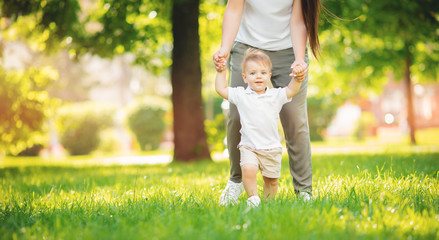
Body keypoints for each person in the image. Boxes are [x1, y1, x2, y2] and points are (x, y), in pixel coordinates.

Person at [213, 0, 321, 205]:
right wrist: (224, 50)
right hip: (247, 49)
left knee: (295, 121)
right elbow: (234, 9)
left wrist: (299, 59)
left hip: (288, 50)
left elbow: (298, 21)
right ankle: (236, 181)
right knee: (236, 116)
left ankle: (304, 190)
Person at [215, 48, 306, 207]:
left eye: (263, 73)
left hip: (271, 148)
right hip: (249, 146)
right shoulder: (241, 95)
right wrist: (221, 71)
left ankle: (268, 205)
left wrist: (298, 78)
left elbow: (291, 90)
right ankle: (253, 198)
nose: (258, 76)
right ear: (244, 77)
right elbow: (221, 89)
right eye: (253, 73)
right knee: (248, 170)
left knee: (271, 181)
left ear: (269, 76)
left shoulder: (275, 95)